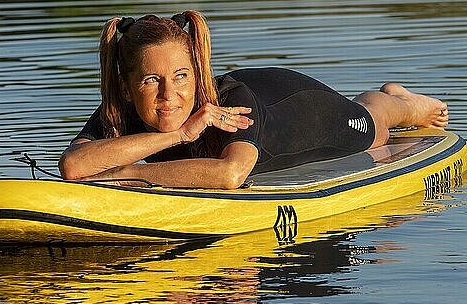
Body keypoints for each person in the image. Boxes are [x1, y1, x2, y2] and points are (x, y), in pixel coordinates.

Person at [59, 11, 449, 189]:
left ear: (197, 75)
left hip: (301, 109)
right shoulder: (122, 110)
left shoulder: (232, 103)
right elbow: (74, 166)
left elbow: (230, 175)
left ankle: (399, 98)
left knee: (373, 125)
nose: (168, 95)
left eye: (181, 77)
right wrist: (177, 136)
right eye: (150, 80)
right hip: (266, 92)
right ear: (127, 87)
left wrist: (128, 173)